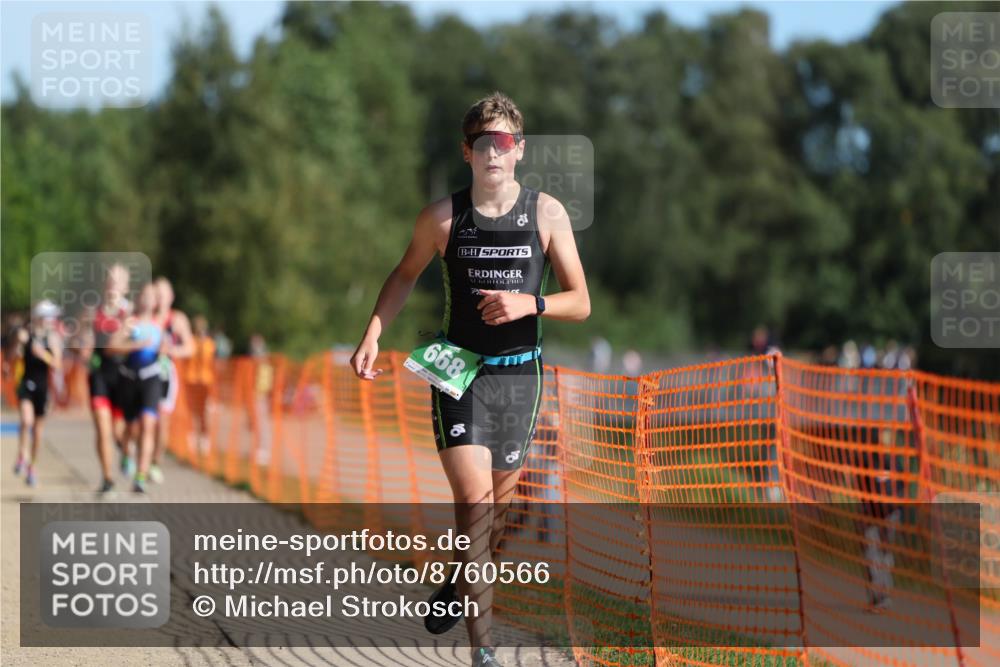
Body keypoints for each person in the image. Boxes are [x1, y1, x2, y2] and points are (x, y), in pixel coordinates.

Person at [350, 92, 590, 667]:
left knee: (492, 526)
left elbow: (581, 301)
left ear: (519, 149)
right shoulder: (441, 218)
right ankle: (483, 652)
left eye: (503, 142)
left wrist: (529, 303)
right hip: (458, 373)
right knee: (475, 507)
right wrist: (373, 332)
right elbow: (403, 275)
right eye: (482, 143)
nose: (493, 153)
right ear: (467, 152)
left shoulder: (547, 214)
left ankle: (460, 579)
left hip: (520, 378)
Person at [108, 283, 163, 493]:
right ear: (138, 299)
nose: (147, 299)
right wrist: (135, 345)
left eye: (151, 296)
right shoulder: (131, 322)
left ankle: (140, 476)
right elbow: (112, 346)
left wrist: (167, 350)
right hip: (130, 378)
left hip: (152, 378)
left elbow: (170, 347)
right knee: (131, 428)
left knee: (148, 425)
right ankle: (126, 452)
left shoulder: (159, 324)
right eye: (144, 295)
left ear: (156, 301)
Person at [85, 263, 131, 493]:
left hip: (123, 377)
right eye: (111, 279)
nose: (113, 283)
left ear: (126, 287)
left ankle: (127, 451)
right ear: (105, 283)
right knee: (103, 430)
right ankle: (108, 479)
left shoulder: (130, 313)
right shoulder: (93, 311)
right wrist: (81, 345)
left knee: (118, 432)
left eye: (118, 280)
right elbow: (80, 339)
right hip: (99, 375)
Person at [12, 300, 64, 487]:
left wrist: (43, 354)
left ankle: (32, 467)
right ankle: (21, 455)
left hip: (43, 389)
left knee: (37, 431)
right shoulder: (26, 335)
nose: (49, 320)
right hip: (26, 384)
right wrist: (18, 344)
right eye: (46, 316)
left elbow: (58, 365)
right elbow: (15, 356)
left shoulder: (53, 339)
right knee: (26, 421)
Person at [151, 277, 195, 484]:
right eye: (156, 294)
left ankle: (155, 462)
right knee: (140, 421)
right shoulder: (144, 316)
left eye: (163, 294)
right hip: (140, 373)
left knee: (162, 421)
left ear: (171, 297)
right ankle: (137, 453)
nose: (160, 298)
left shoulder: (177, 320)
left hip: (165, 374)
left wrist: (171, 350)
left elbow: (190, 347)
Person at [185, 315, 216, 455]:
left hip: (205, 382)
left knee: (203, 412)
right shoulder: (191, 341)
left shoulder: (209, 343)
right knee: (191, 411)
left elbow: (209, 360)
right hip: (191, 380)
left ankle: (204, 438)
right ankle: (191, 436)